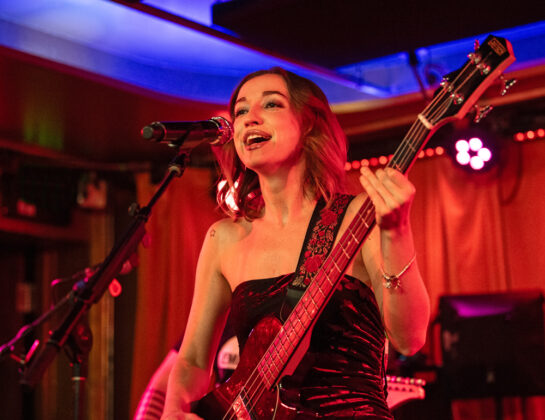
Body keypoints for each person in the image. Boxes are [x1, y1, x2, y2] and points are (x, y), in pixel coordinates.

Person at [161, 67, 430, 419]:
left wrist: (396, 232)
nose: (250, 118)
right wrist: (173, 411)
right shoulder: (224, 238)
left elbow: (410, 339)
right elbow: (194, 360)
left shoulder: (358, 217)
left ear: (309, 124)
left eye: (271, 104)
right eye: (241, 111)